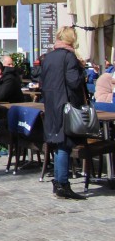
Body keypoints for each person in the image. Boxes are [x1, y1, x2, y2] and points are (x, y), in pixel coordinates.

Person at [40, 27, 88, 200]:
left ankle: (59, 183)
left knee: (58, 142)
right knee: (64, 144)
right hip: (66, 105)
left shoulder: (48, 57)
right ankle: (62, 184)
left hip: (52, 105)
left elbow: (42, 81)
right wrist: (82, 71)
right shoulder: (69, 57)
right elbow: (74, 82)